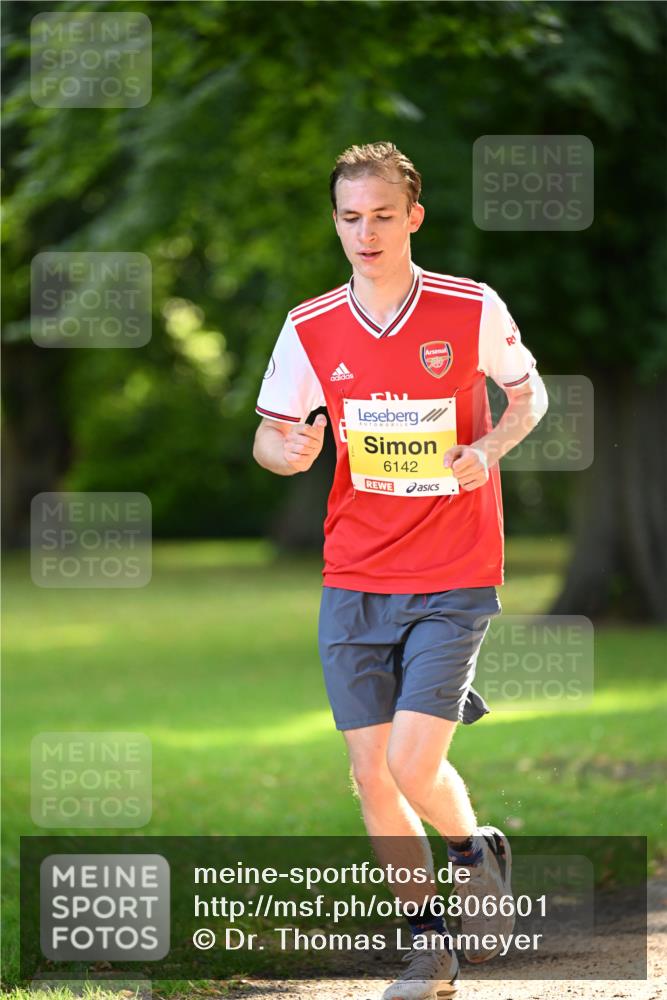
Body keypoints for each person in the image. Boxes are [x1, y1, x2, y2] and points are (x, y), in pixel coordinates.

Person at [253, 141, 547, 1000]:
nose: (366, 232)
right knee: (368, 774)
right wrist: (289, 446)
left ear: (413, 217)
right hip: (353, 571)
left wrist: (485, 450)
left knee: (414, 767)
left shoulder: (469, 307)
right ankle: (430, 954)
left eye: (383, 215)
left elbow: (526, 396)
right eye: (351, 217)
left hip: (454, 566)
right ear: (335, 222)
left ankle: (471, 850)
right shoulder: (310, 326)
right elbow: (271, 437)